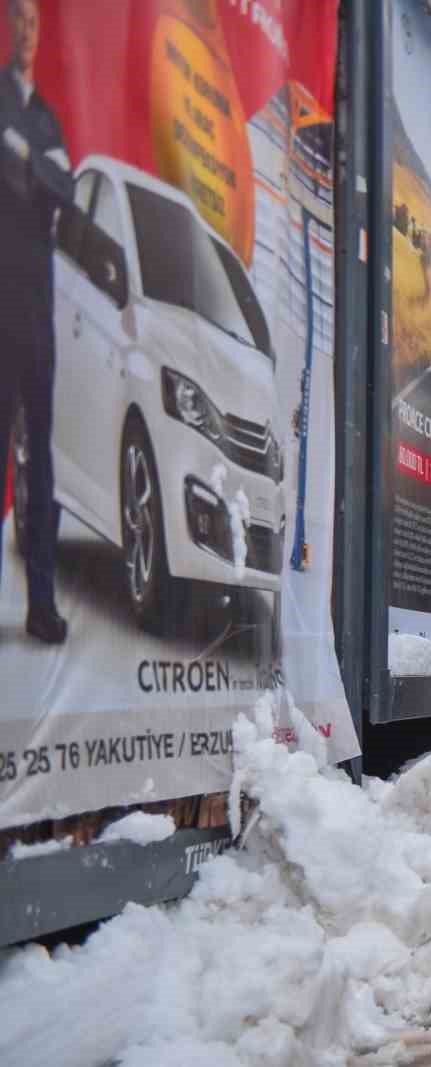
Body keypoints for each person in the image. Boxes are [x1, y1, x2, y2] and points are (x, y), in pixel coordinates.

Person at [0, 0, 68, 644]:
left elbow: (63, 188)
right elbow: (40, 180)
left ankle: (41, 605)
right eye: (16, 22)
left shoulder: (42, 115)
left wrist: (23, 160)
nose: (25, 34)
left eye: (32, 24)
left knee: (39, 464)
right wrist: (31, 167)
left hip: (40, 319)